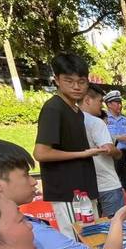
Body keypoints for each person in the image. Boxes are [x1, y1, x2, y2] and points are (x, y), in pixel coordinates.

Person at [33, 52, 103, 238]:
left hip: (82, 189)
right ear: (57, 80)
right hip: (69, 192)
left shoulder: (75, 110)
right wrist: (83, 154)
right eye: (69, 81)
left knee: (92, 237)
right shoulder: (53, 108)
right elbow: (41, 153)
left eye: (81, 81)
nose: (76, 87)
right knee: (79, 239)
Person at [80, 84, 126, 217]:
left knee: (95, 225)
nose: (102, 105)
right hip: (107, 183)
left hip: (87, 185)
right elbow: (109, 149)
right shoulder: (96, 122)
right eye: (100, 101)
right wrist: (118, 152)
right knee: (116, 222)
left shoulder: (73, 121)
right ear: (88, 100)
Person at [104, 90, 126, 202]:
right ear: (109, 104)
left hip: (125, 153)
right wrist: (118, 137)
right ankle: (118, 203)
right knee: (114, 180)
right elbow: (103, 136)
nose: (120, 105)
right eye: (117, 103)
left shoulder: (125, 119)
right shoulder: (105, 119)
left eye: (120, 103)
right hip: (113, 154)